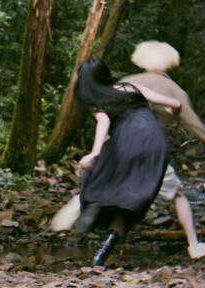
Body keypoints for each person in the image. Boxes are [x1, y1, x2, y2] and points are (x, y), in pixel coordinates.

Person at [118, 40, 205, 259]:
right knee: (178, 194)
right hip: (150, 152)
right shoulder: (172, 89)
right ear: (170, 63)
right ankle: (195, 246)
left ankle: (102, 253)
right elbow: (192, 123)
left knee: (127, 203)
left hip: (121, 150)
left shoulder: (127, 81)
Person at [71, 56, 181, 266]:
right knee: (132, 203)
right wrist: (173, 111)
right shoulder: (131, 87)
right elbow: (175, 103)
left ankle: (95, 205)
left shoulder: (96, 102)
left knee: (98, 174)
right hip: (155, 143)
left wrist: (94, 153)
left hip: (128, 140)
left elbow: (103, 123)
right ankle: (102, 253)